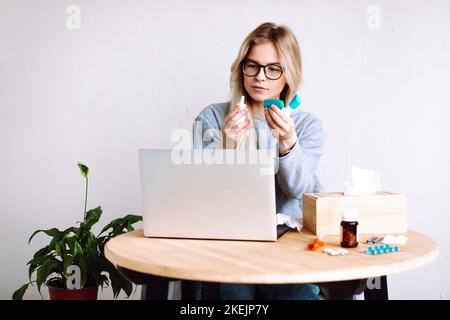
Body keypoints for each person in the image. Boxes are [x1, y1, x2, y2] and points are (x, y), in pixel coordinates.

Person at [192, 22, 325, 300]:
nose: (259, 77)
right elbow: (201, 197)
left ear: (288, 75)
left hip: (289, 250)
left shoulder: (306, 126)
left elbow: (298, 189)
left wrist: (288, 143)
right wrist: (225, 147)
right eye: (251, 66)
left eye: (273, 68)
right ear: (241, 68)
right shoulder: (212, 118)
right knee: (233, 290)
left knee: (300, 293)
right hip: (229, 247)